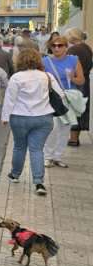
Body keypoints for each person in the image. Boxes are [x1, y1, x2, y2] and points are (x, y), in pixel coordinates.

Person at [1, 48, 64, 196]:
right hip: (43, 118)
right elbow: (60, 94)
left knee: (19, 147)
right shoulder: (47, 76)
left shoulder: (16, 77)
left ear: (20, 61)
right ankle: (38, 182)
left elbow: (10, 99)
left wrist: (5, 117)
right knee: (37, 149)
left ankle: (15, 175)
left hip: (20, 117)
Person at [42, 36, 84, 168]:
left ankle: (57, 156)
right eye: (53, 46)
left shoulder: (74, 60)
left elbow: (81, 81)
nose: (56, 48)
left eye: (60, 45)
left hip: (68, 98)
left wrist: (72, 78)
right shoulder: (45, 61)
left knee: (65, 129)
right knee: (52, 128)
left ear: (66, 47)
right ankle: (47, 156)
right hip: (52, 99)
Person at [67, 28, 92, 146]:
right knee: (81, 108)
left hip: (75, 81)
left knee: (73, 108)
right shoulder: (87, 48)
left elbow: (68, 66)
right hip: (85, 81)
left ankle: (73, 139)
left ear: (73, 36)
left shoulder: (73, 49)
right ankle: (76, 138)